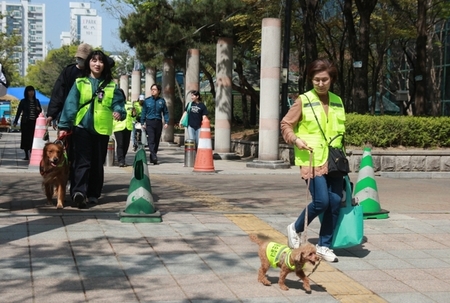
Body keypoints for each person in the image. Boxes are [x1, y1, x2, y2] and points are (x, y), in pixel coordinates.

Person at [280, 58, 346, 263]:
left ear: (331, 79)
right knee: (321, 201)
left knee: (335, 202)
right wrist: (296, 140)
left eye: (324, 79)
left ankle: (324, 246)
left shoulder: (337, 100)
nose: (320, 83)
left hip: (334, 159)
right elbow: (285, 124)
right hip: (311, 157)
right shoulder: (303, 100)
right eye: (316, 80)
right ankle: (296, 227)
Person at [58, 50, 126, 209]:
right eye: (94, 60)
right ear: (88, 63)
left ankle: (93, 193)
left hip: (102, 129)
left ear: (105, 65)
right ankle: (78, 192)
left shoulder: (111, 85)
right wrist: (64, 126)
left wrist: (119, 112)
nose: (97, 64)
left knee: (97, 163)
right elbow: (70, 105)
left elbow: (119, 103)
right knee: (82, 162)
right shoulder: (79, 83)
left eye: (100, 61)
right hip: (82, 127)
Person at [46, 43, 93, 128]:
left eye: (83, 58)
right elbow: (58, 93)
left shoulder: (93, 73)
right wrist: (52, 114)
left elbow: (109, 62)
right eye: (79, 58)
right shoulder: (68, 71)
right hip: (67, 113)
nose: (80, 60)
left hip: (87, 116)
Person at [141, 84, 169, 165]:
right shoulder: (147, 101)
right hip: (150, 121)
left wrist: (166, 122)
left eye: (155, 89)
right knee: (151, 140)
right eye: (152, 89)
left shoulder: (162, 101)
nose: (153, 91)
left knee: (156, 140)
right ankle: (154, 156)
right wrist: (142, 122)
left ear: (158, 91)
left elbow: (165, 112)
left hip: (158, 122)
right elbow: (143, 112)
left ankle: (152, 156)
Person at [13, 86, 42, 160]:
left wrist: (38, 109)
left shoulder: (36, 101)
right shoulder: (23, 101)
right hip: (25, 122)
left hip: (34, 122)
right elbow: (19, 111)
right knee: (25, 138)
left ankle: (32, 153)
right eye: (29, 91)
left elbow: (40, 111)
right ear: (27, 92)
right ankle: (26, 155)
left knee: (33, 138)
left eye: (32, 91)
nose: (31, 93)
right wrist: (15, 121)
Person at [113, 89, 133, 167]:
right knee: (120, 144)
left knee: (126, 144)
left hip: (128, 127)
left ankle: (123, 159)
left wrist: (134, 114)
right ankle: (121, 160)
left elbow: (133, 116)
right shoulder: (114, 105)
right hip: (118, 127)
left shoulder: (129, 104)